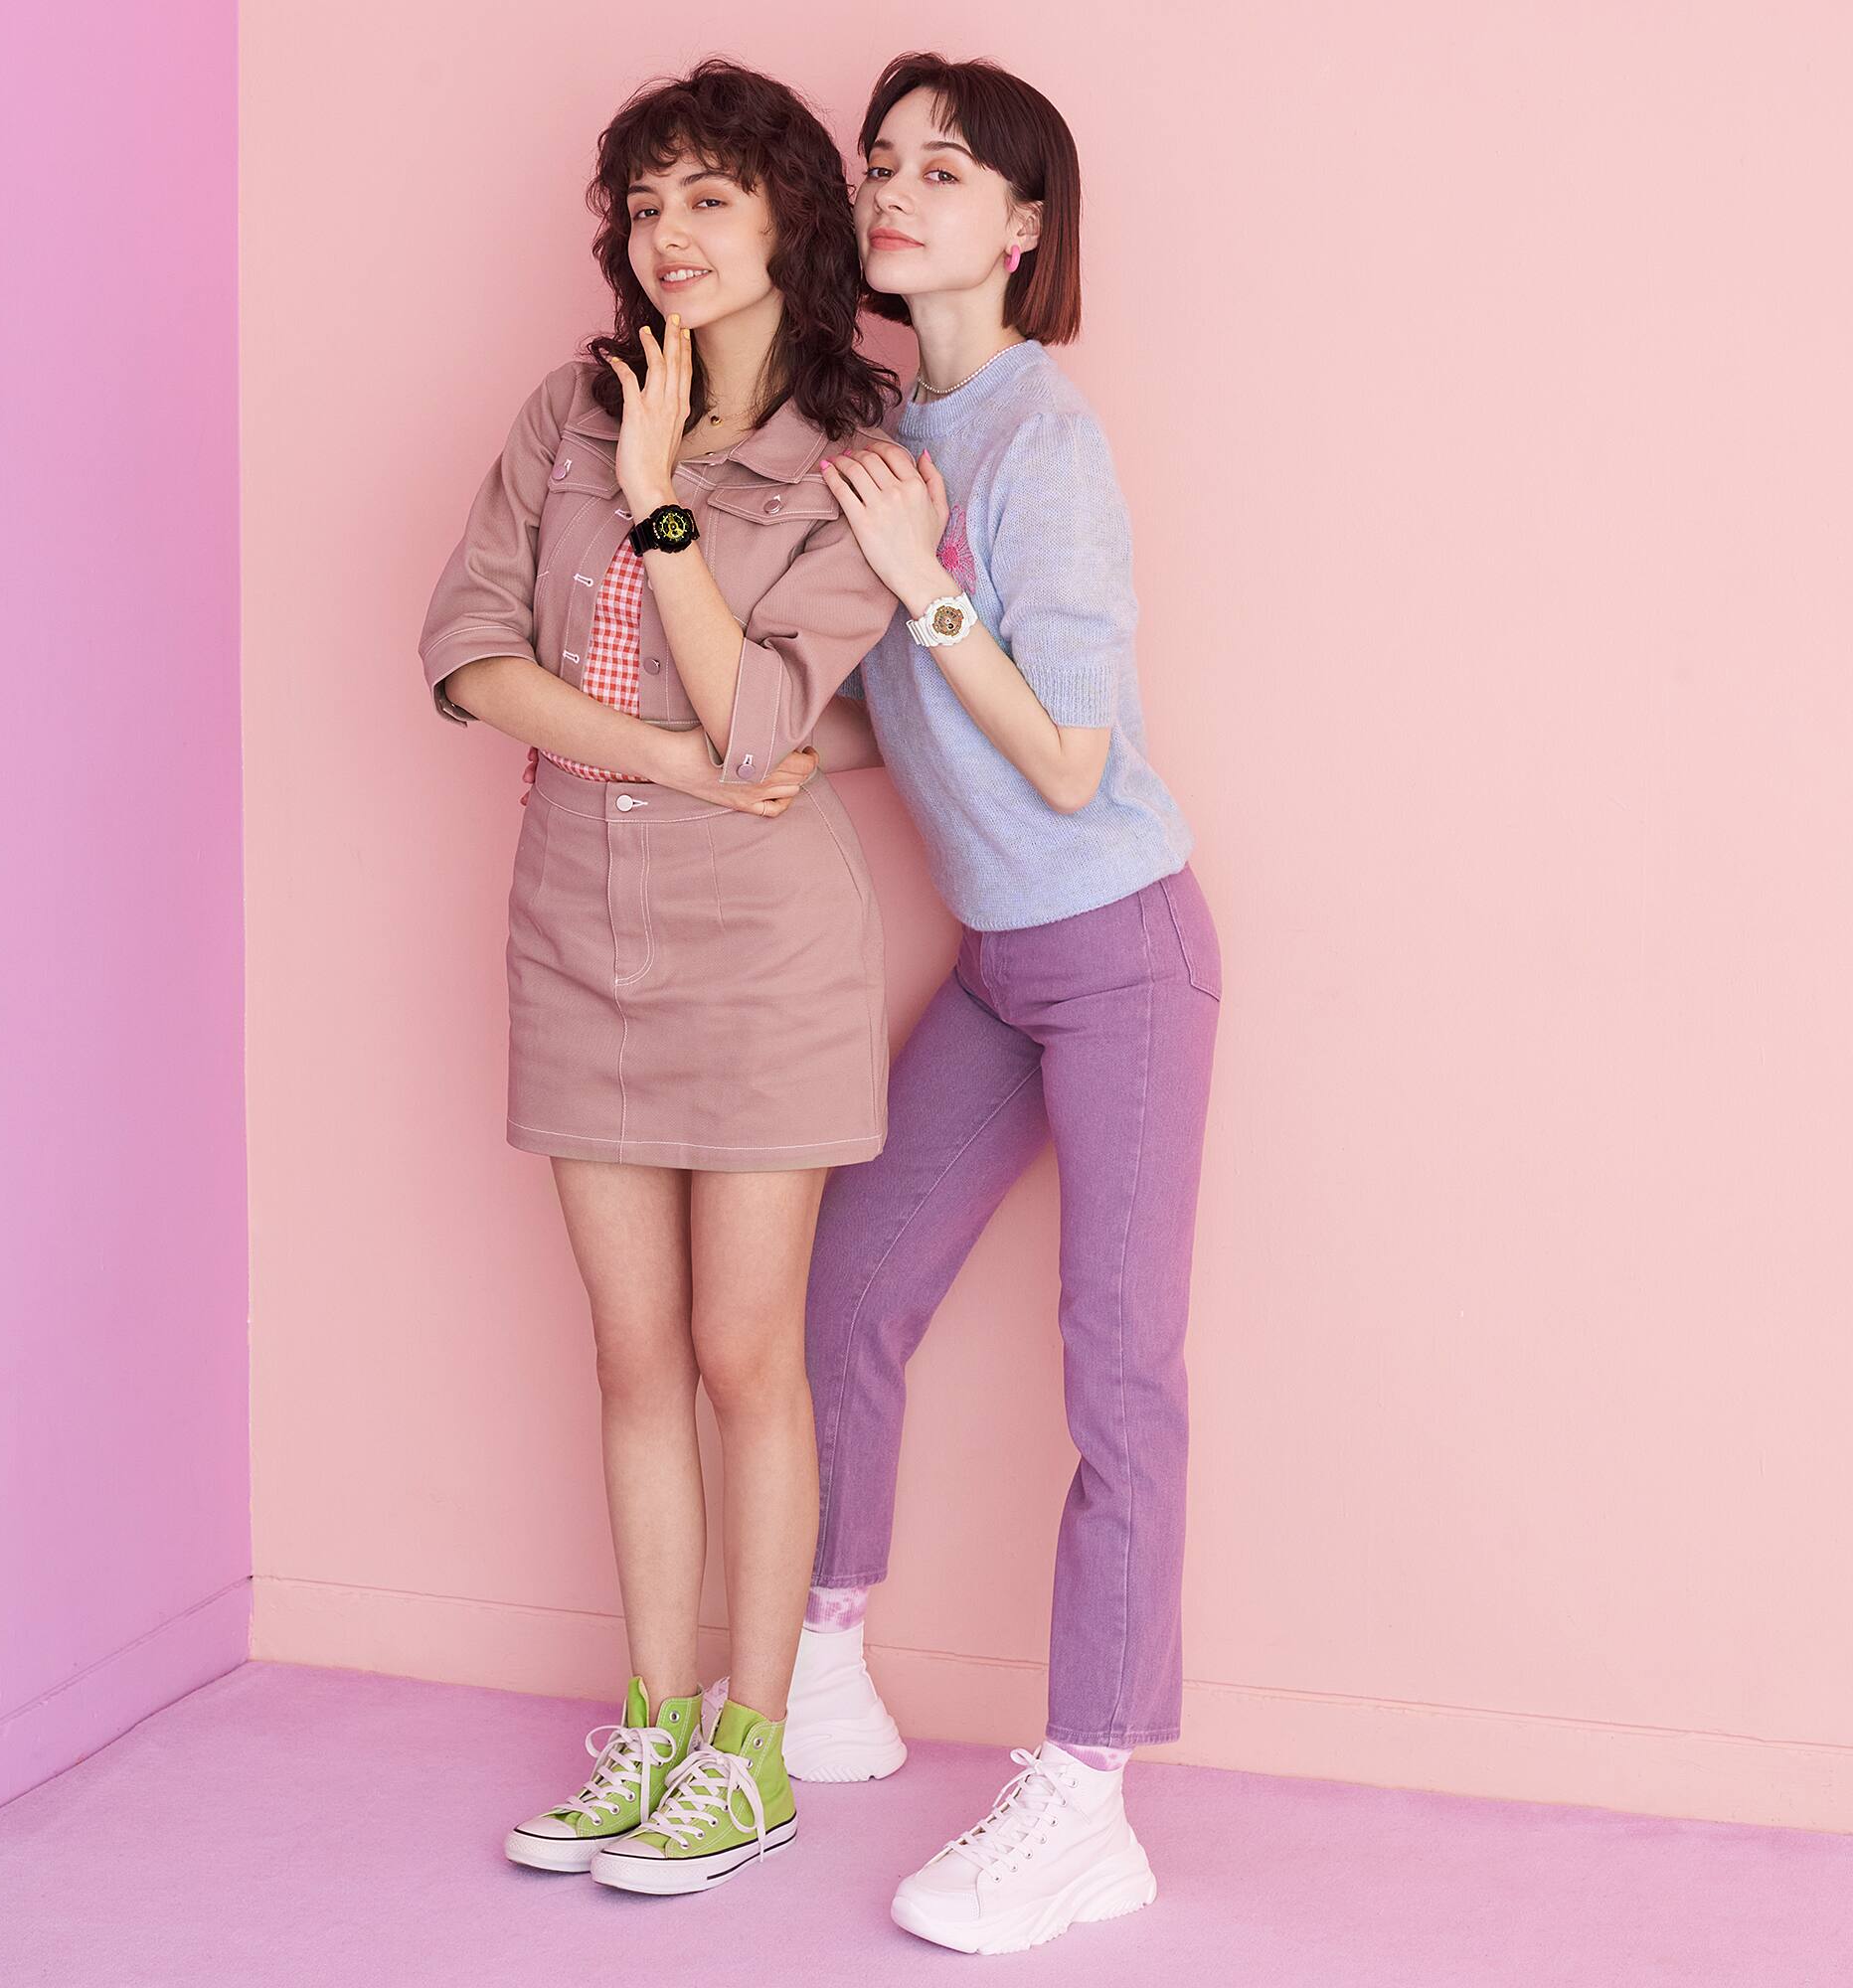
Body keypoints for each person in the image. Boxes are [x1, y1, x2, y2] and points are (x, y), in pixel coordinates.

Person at [416, 58, 901, 1897]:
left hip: (763, 950)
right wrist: (669, 761)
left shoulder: (859, 456)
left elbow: (768, 707)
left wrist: (660, 502)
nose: (669, 235)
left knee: (740, 1353)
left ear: (790, 218)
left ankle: (748, 1753)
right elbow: (468, 649)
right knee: (629, 1354)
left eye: (710, 197)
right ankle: (651, 1723)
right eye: (645, 202)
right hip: (574, 920)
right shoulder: (570, 406)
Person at [794, 52, 1225, 1953]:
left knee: (1117, 1374)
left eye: (945, 170)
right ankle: (822, 1658)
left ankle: (1088, 1795)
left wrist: (917, 575)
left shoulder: (1045, 443)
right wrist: (754, 758)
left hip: (1120, 948)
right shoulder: (890, 428)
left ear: (1024, 226)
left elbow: (1065, 761)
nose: (896, 192)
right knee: (851, 1280)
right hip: (995, 963)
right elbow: (906, 729)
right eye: (882, 162)